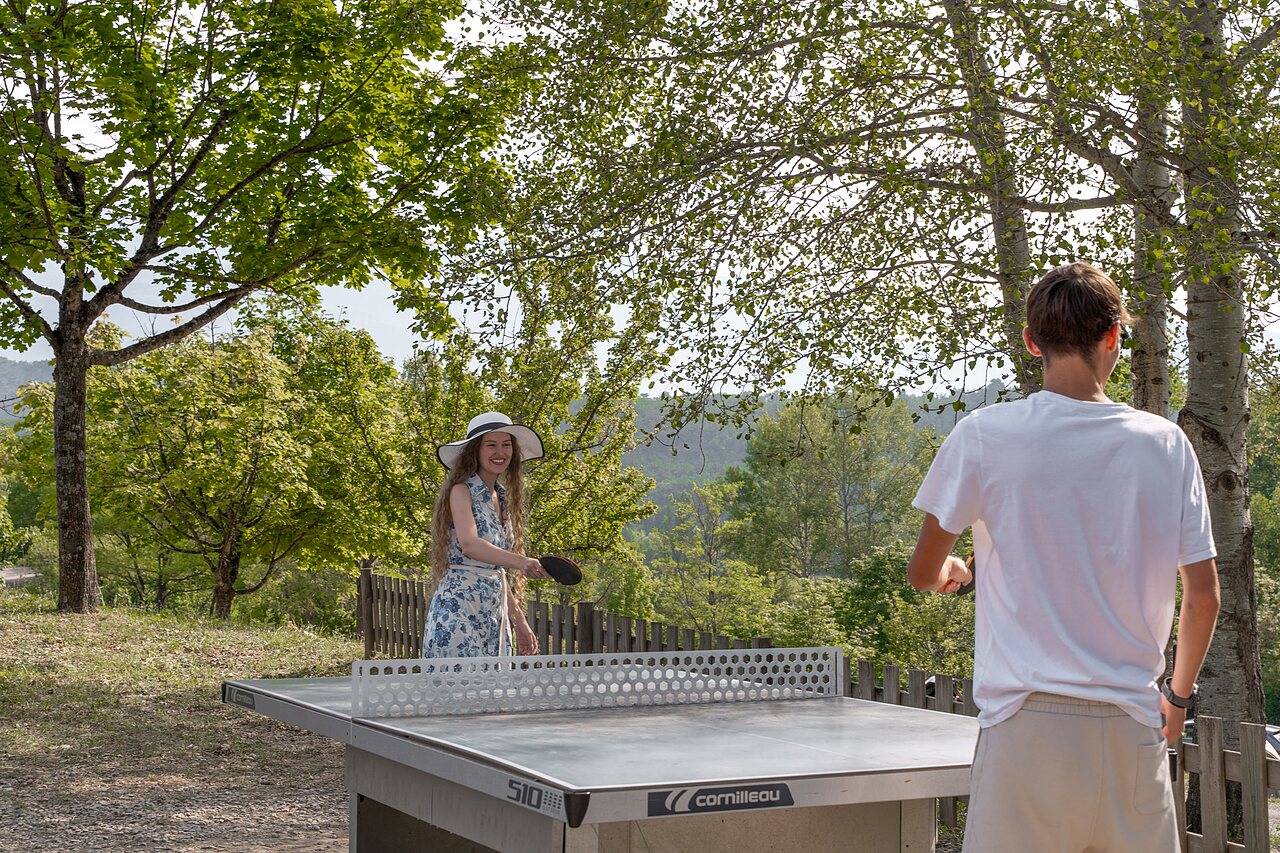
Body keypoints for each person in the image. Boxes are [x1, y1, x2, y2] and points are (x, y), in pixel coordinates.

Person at [907, 262, 1221, 852]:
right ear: (1113, 337)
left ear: (1032, 342)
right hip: (1131, 730)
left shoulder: (984, 435)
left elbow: (923, 571)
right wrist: (1176, 700)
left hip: (1025, 730)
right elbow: (1203, 597)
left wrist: (955, 573)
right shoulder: (1165, 444)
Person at [422, 412, 549, 658]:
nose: (499, 452)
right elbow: (470, 545)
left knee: (494, 693)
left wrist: (519, 621)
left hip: (494, 616)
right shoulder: (461, 491)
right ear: (475, 451)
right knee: (459, 693)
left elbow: (495, 570)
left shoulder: (501, 497)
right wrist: (522, 561)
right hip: (458, 613)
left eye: (506, 444)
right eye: (490, 444)